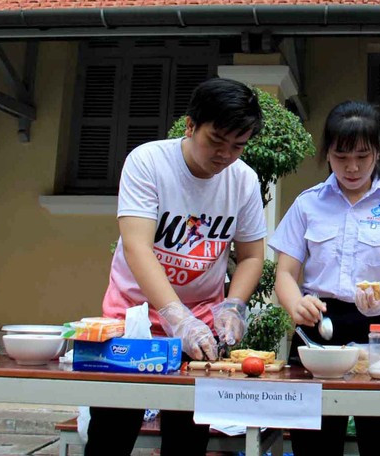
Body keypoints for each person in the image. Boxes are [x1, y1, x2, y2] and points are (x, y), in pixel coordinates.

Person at [85, 78, 266, 456]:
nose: (226, 155)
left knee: (188, 438)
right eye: (216, 140)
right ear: (190, 125)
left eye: (238, 145)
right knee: (112, 433)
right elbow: (137, 246)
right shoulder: (148, 161)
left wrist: (233, 306)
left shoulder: (244, 180)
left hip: (200, 328)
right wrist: (174, 316)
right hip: (132, 322)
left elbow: (250, 255)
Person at [269, 100, 380, 456]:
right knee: (314, 444)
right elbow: (284, 273)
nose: (352, 167)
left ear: (377, 151)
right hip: (320, 328)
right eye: (341, 156)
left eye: (362, 155)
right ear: (326, 153)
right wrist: (296, 303)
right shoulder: (307, 204)